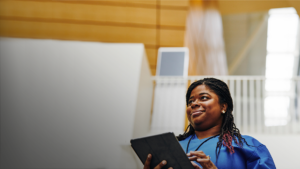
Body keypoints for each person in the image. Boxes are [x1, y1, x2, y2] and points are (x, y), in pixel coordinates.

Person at [143, 78, 276, 169]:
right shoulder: (172, 147)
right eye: (190, 102)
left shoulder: (248, 146)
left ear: (223, 107)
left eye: (204, 98)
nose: (194, 104)